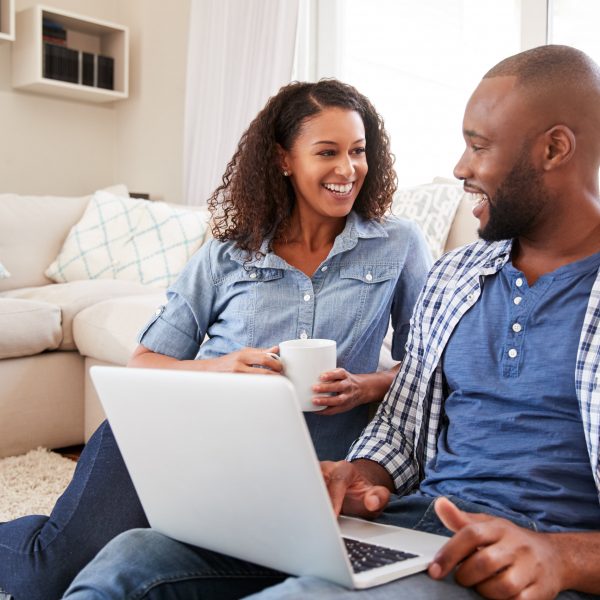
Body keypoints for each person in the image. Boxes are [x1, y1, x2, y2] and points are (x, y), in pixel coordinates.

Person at [61, 44, 600, 600]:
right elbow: (404, 426)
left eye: (478, 147)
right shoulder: (458, 276)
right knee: (132, 561)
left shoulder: (402, 247)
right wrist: (359, 474)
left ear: (554, 149)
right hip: (419, 525)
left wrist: (562, 556)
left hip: (527, 554)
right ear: (284, 160)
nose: (459, 168)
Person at [0, 80, 431, 600]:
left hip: (310, 464)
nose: (348, 169)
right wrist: (222, 367)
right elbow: (144, 362)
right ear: (284, 160)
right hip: (181, 438)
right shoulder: (227, 255)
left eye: (358, 151)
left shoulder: (398, 245)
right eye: (327, 152)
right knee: (49, 574)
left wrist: (367, 385)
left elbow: (426, 367)